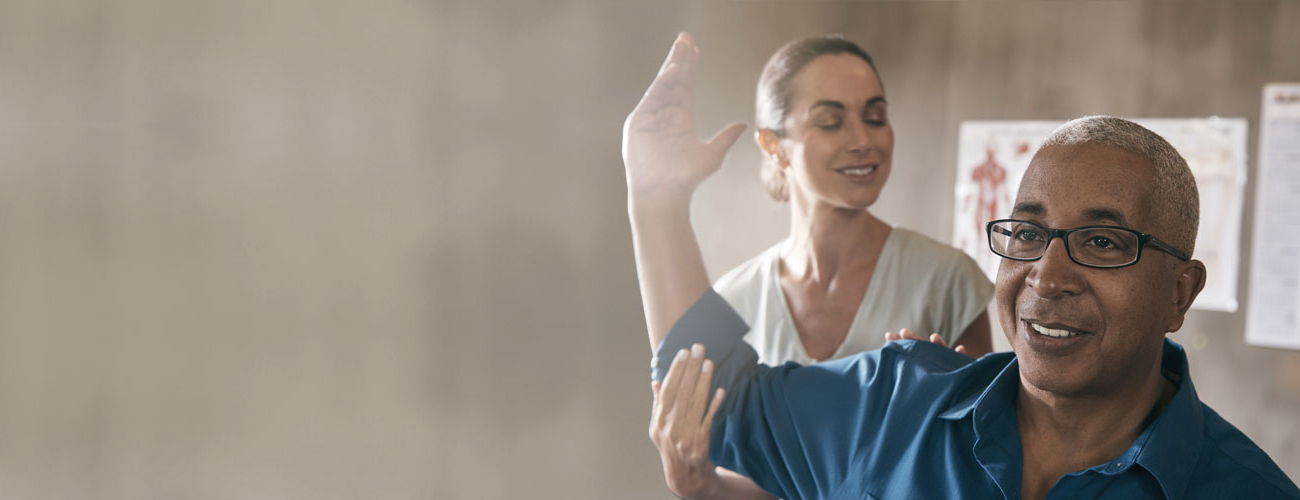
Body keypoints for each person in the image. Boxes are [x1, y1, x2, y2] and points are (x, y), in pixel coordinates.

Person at [624, 34, 1300, 499]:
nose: (1047, 276)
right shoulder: (896, 401)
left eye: (1100, 243)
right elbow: (719, 404)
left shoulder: (1245, 490)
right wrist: (658, 202)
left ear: (1179, 292)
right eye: (1028, 233)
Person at [624, 33, 993, 499]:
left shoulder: (948, 280)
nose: (863, 140)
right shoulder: (734, 299)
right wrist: (702, 486)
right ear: (774, 147)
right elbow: (761, 475)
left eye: (875, 117)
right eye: (831, 122)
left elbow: (981, 462)